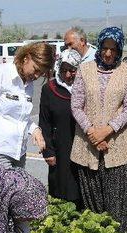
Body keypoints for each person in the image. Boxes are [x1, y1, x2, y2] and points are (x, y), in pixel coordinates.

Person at [70, 27, 127, 233]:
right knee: (94, 200)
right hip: (88, 146)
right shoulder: (85, 69)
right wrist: (93, 133)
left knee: (118, 199)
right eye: (105, 48)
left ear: (119, 49)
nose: (108, 53)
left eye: (114, 49)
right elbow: (76, 105)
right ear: (99, 47)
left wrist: (106, 131)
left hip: (117, 145)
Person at [0, 42, 55, 167]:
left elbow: (21, 117)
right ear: (26, 58)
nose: (36, 76)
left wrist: (35, 130)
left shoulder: (29, 84)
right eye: (36, 69)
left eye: (41, 73)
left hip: (19, 153)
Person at [40, 49, 83, 207]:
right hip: (60, 147)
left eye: (72, 70)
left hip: (82, 146)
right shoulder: (49, 89)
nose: (67, 75)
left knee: (80, 185)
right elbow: (44, 122)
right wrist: (48, 151)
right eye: (63, 70)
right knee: (61, 184)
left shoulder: (85, 88)